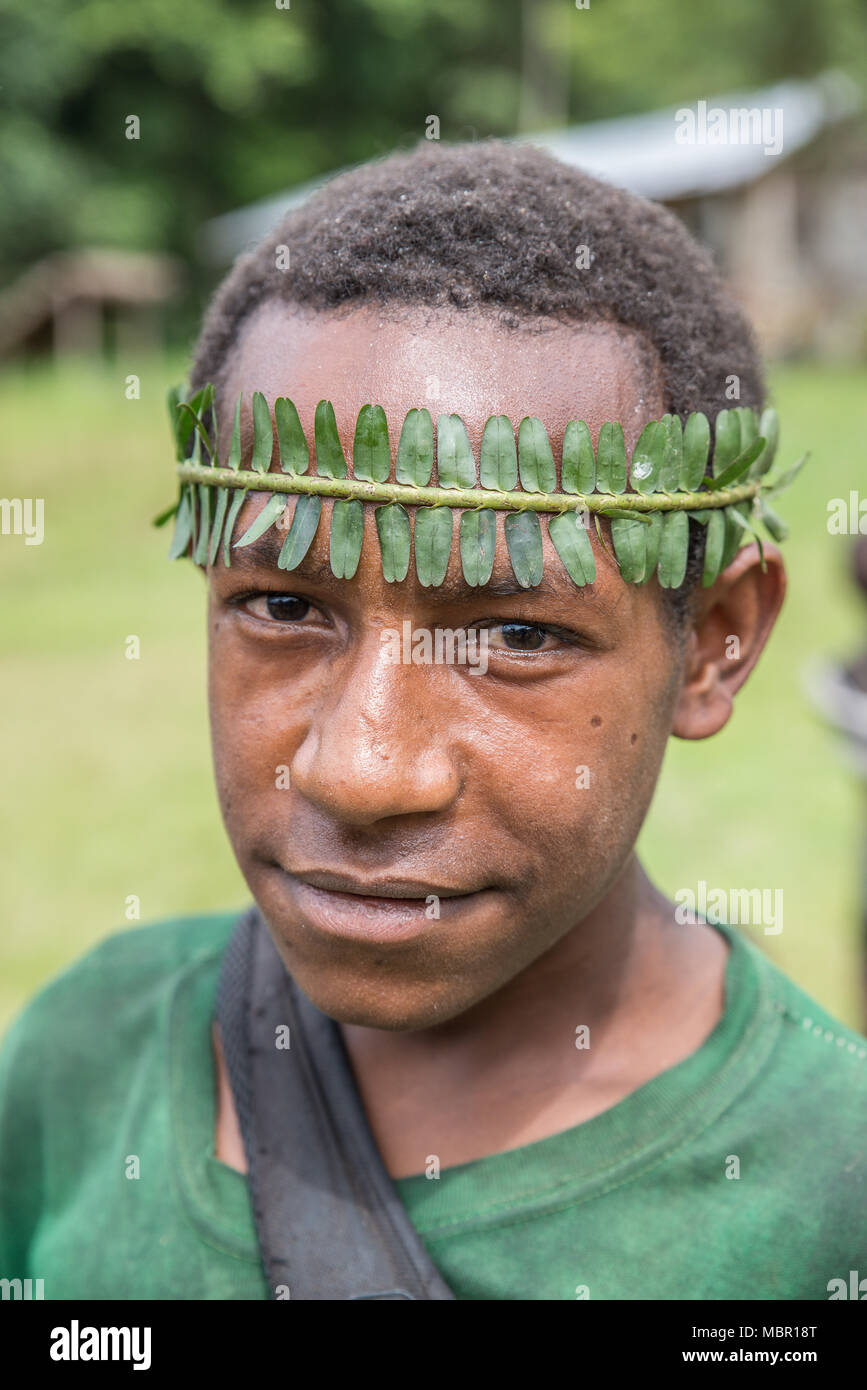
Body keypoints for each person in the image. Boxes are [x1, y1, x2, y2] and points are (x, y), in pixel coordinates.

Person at [1, 139, 864, 1302]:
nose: (361, 770)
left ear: (714, 639)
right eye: (283, 605)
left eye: (515, 635)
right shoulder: (85, 1055)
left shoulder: (829, 1199)